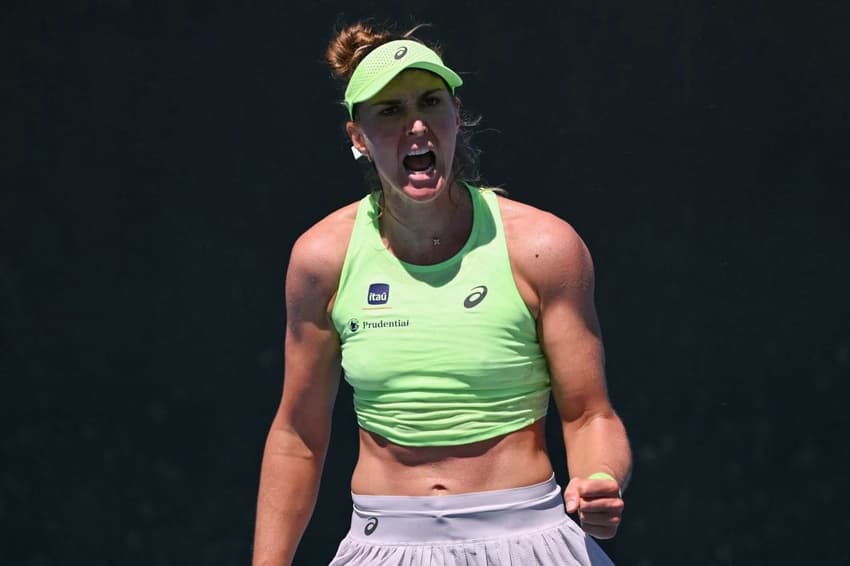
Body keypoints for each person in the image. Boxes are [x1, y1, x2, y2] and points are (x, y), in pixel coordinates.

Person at [252, 20, 632, 566]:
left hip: (531, 537)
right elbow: (298, 437)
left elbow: (590, 415)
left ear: (455, 114)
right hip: (381, 543)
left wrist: (600, 477)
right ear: (357, 137)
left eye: (430, 102)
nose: (416, 125)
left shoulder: (544, 247)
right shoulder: (321, 260)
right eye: (390, 110)